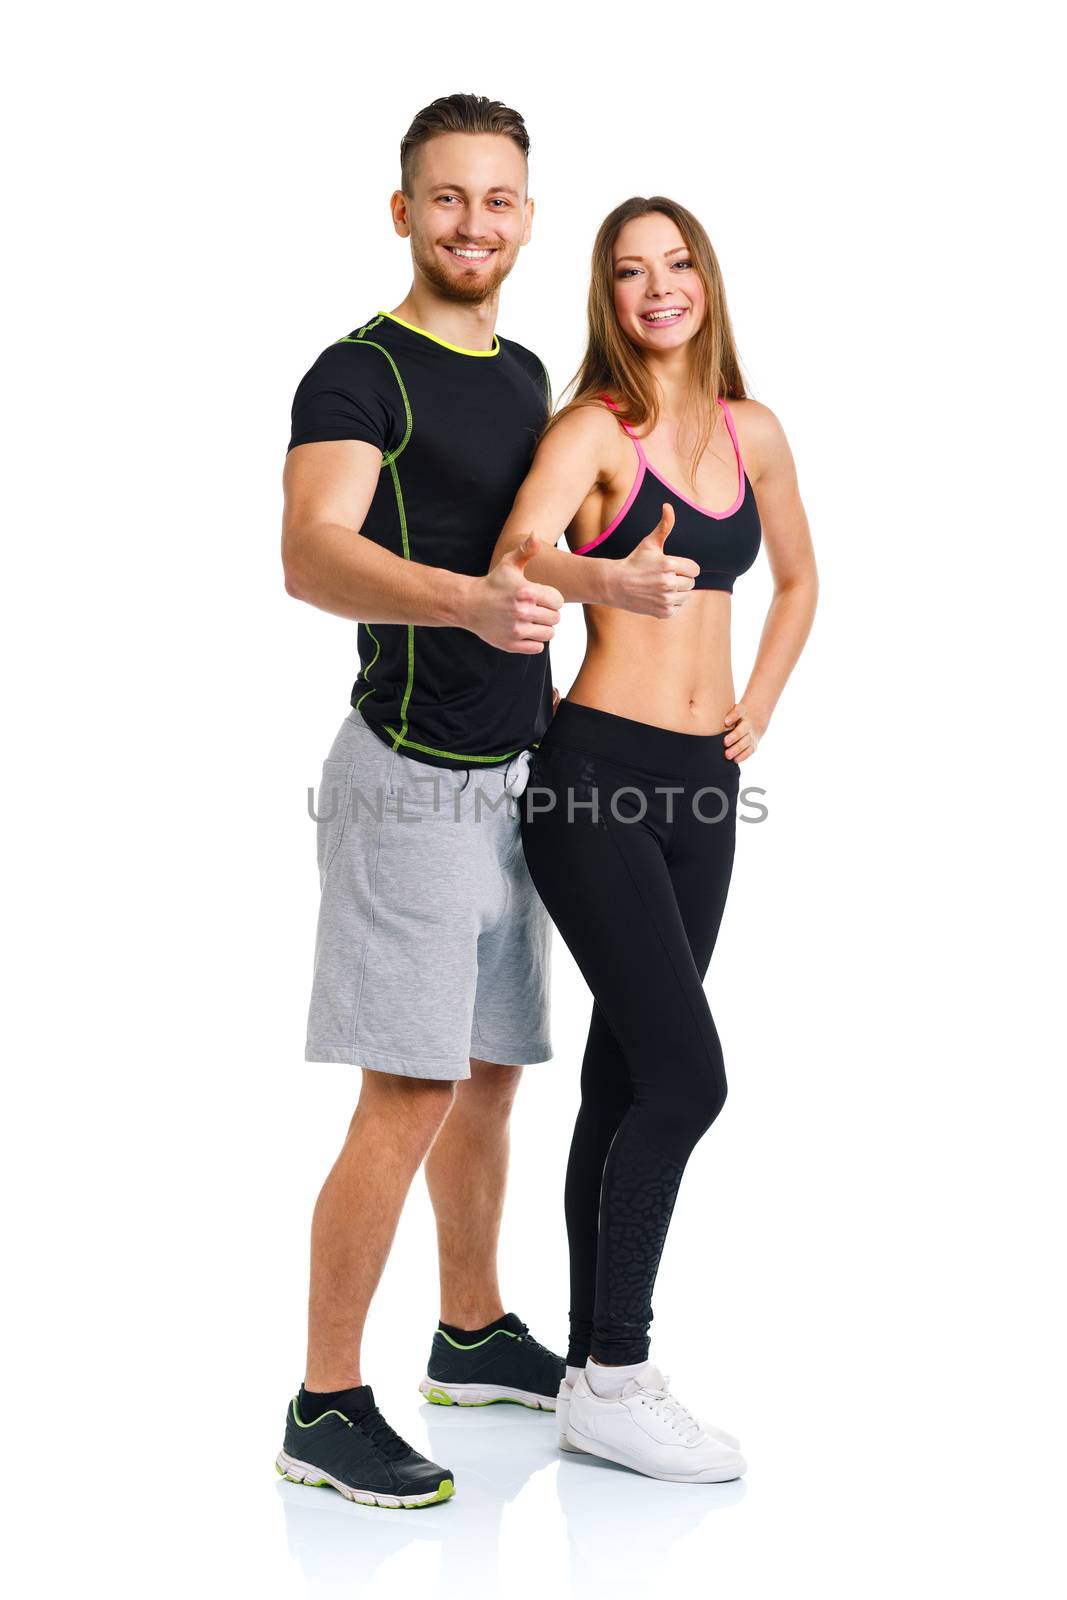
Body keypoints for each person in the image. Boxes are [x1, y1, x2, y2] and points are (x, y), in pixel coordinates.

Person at [274, 101, 697, 1511]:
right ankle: (325, 1406)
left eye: (500, 201)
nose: (474, 225)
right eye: (447, 200)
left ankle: (470, 1331)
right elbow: (312, 554)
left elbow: (540, 553)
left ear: (526, 215)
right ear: (405, 213)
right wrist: (465, 601)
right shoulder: (359, 376)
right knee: (406, 1091)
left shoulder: (526, 375)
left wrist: (613, 595)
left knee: (495, 1075)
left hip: (517, 778)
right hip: (409, 778)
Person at [490, 195, 818, 1483]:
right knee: (692, 1080)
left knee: (631, 1082)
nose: (658, 288)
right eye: (630, 271)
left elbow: (798, 579)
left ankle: (588, 1372)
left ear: (708, 279)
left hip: (701, 787)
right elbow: (521, 551)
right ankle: (620, 1372)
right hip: (595, 778)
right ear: (608, 297)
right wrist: (603, 577)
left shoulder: (755, 432)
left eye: (676, 263)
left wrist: (762, 705)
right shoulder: (595, 432)